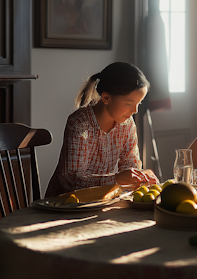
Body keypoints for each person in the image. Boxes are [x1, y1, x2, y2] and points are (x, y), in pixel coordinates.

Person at [46, 62, 158, 197]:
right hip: (65, 205)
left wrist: (138, 178)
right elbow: (70, 181)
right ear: (106, 98)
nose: (135, 110)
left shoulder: (127, 124)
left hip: (101, 201)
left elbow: (130, 165)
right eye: (129, 103)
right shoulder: (80, 124)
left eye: (138, 103)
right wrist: (116, 179)